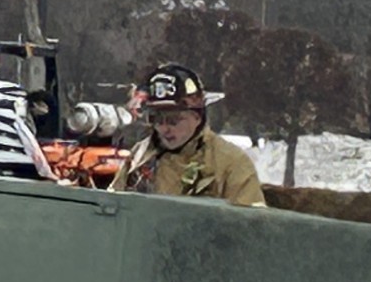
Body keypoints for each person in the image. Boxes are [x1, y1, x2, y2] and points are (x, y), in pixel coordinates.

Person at [108, 62, 265, 205]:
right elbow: (112, 208)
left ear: (197, 117)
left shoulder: (231, 163)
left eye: (173, 120)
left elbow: (251, 227)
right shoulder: (140, 155)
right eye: (156, 119)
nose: (163, 128)